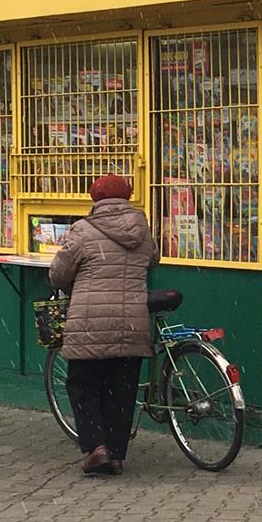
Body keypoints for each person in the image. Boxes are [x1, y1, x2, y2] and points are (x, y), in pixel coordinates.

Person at [49, 173, 159, 475]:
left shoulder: (82, 230)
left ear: (95, 198)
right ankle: (118, 456)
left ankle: (97, 448)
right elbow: (153, 259)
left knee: (83, 385)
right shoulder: (142, 228)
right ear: (127, 196)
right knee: (122, 390)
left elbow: (59, 274)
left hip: (91, 324)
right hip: (132, 324)